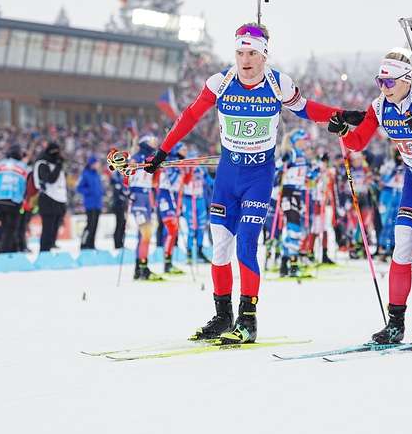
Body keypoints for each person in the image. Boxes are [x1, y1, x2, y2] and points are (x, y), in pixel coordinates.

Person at [141, 22, 341, 343]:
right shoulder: (220, 82)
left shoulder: (278, 83)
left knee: (246, 244)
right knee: (220, 247)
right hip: (227, 176)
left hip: (258, 177)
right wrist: (162, 151)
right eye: (239, 53)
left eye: (251, 54)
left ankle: (248, 320)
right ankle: (223, 317)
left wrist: (339, 114)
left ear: (264, 56)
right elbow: (190, 116)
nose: (245, 60)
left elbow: (305, 109)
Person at [329, 48, 412, 343]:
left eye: (389, 82)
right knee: (402, 248)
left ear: (406, 80)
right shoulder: (379, 106)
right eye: (380, 81)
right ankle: (395, 323)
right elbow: (357, 142)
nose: (384, 88)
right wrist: (343, 131)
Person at [128, 135, 162, 280]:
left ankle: (139, 268)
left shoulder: (151, 158)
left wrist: (158, 169)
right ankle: (142, 268)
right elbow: (127, 176)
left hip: (147, 196)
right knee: (145, 234)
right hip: (138, 197)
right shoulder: (137, 157)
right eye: (152, 141)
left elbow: (154, 182)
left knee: (144, 235)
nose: (155, 144)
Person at [279, 129, 311, 277]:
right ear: (297, 141)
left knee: (295, 229)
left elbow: (308, 175)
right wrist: (283, 162)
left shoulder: (302, 156)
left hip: (298, 194)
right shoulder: (291, 153)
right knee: (294, 229)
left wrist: (317, 171)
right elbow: (277, 167)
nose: (305, 143)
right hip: (288, 193)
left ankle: (284, 263)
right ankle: (293, 264)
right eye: (303, 140)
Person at [156, 143, 187, 274]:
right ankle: (166, 263)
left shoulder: (181, 162)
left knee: (173, 230)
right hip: (166, 195)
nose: (186, 151)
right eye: (183, 149)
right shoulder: (171, 160)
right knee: (171, 228)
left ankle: (168, 262)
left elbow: (185, 182)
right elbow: (170, 179)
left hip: (175, 196)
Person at [0, 144, 29, 254]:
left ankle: (11, 249)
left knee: (4, 226)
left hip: (0, 198)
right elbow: (25, 185)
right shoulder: (23, 167)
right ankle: (6, 251)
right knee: (12, 227)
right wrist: (24, 199)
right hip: (14, 199)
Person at [33, 142, 67, 252]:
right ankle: (44, 250)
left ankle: (51, 246)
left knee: (55, 226)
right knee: (48, 227)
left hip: (59, 199)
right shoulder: (42, 163)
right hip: (47, 199)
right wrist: (58, 166)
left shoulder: (55, 164)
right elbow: (50, 179)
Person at [76, 155, 104, 250]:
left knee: (95, 225)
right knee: (90, 225)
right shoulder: (85, 174)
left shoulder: (97, 174)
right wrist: (89, 192)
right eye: (96, 163)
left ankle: (91, 244)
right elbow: (79, 188)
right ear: (92, 164)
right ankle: (84, 244)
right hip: (90, 204)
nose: (98, 165)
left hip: (98, 204)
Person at [109, 162, 131, 251]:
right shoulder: (116, 176)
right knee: (119, 223)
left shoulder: (122, 175)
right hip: (117, 204)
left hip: (123, 204)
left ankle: (120, 243)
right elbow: (116, 190)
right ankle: (117, 244)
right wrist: (122, 196)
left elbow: (125, 188)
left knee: (123, 223)